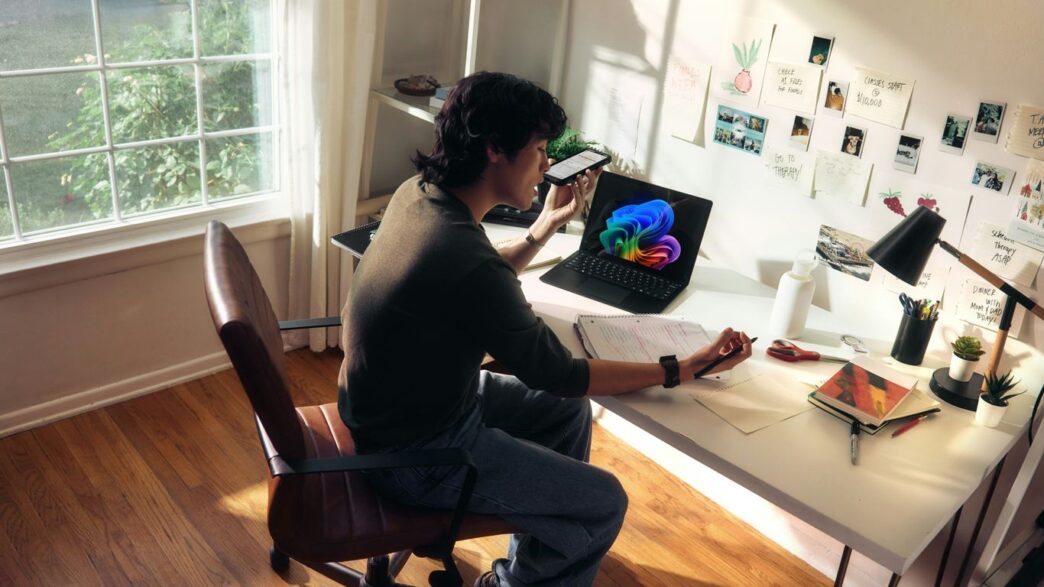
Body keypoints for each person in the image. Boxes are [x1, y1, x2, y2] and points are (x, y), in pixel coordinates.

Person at [337, 71, 752, 587]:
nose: (547, 165)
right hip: (416, 454)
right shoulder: (463, 256)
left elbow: (478, 278)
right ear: (494, 149)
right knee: (603, 503)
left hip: (399, 405)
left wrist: (544, 227)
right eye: (538, 149)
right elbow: (560, 374)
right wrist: (680, 368)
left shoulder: (420, 195)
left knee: (567, 415)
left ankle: (528, 567)